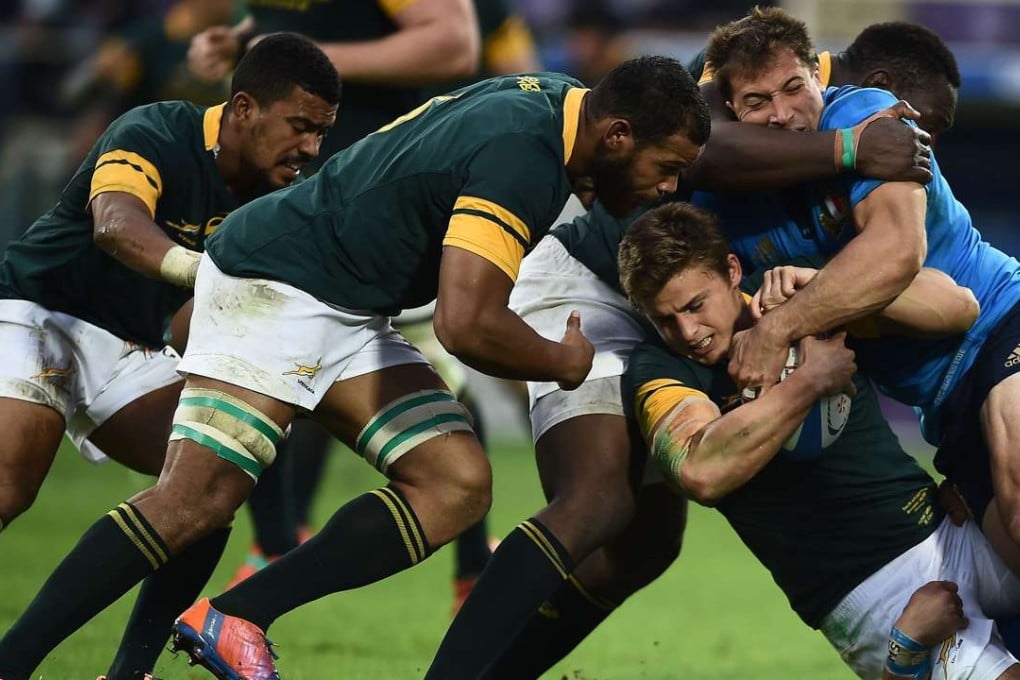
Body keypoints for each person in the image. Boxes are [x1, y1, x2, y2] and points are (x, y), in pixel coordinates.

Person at [0, 57, 711, 680]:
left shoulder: (551, 101)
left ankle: (238, 615)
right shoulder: (523, 157)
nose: (668, 186)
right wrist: (563, 360)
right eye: (665, 167)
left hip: (347, 305)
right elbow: (467, 324)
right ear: (616, 136)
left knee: (455, 483)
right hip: (278, 285)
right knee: (193, 502)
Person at [426, 18, 953, 680]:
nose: (915, 155)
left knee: (644, 546)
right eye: (913, 134)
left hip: (678, 304)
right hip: (590, 280)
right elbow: (708, 153)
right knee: (596, 502)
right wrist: (850, 149)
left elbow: (941, 299)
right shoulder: (746, 98)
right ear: (878, 94)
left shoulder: (805, 172)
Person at [0, 32, 340, 680]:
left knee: (207, 485)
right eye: (300, 126)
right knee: (8, 485)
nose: (310, 149)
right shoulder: (157, 128)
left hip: (129, 345)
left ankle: (129, 673)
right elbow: (114, 223)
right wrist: (204, 271)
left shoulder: (277, 197)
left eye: (321, 133)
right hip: (32, 310)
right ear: (243, 109)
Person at [619, 201, 1020, 680]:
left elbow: (957, 308)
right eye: (665, 320)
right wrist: (808, 382)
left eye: (694, 306)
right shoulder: (658, 370)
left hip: (953, 530)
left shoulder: (791, 294)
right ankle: (905, 655)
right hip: (874, 594)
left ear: (730, 270)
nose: (688, 332)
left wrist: (820, 288)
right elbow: (701, 472)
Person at [690, 6, 1020, 581]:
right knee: (1005, 581)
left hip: (1002, 321)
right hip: (942, 408)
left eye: (794, 88)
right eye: (756, 103)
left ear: (820, 78)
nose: (783, 115)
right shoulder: (725, 214)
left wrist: (779, 325)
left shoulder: (868, 118)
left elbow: (897, 256)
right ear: (731, 111)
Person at [188, 0, 480, 164]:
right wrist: (238, 42)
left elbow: (454, 45)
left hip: (368, 162)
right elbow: (313, 16)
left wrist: (302, 56)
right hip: (278, 168)